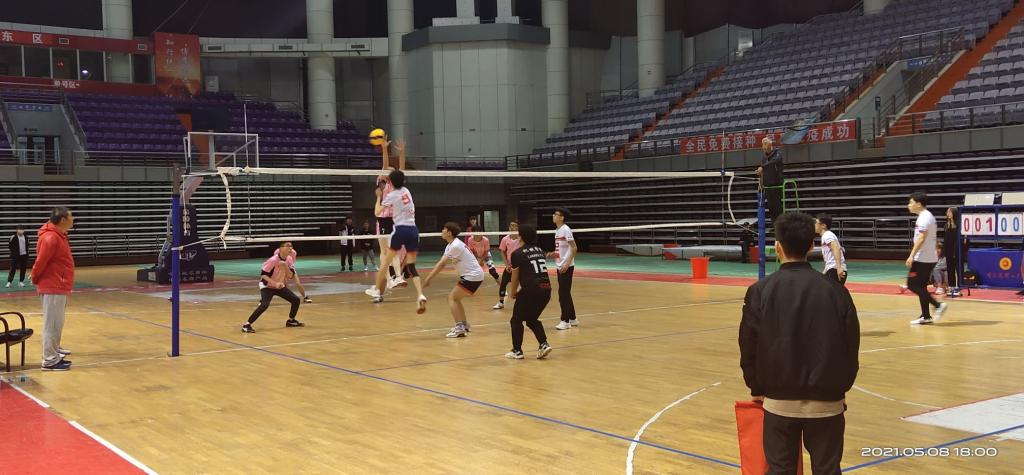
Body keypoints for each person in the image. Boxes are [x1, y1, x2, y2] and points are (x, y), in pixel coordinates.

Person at [739, 212, 860, 475]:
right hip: (827, 401)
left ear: (777, 247)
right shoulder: (836, 292)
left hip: (778, 402)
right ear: (812, 246)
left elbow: (748, 345)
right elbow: (851, 345)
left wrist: (755, 386)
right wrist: (841, 387)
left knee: (780, 469)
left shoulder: (760, 291)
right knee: (827, 470)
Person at [366, 170, 427, 313]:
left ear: (390, 182)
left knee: (385, 261)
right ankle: (420, 294)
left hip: (400, 230)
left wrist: (379, 197)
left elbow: (377, 212)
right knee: (412, 267)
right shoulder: (407, 191)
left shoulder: (391, 196)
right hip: (413, 230)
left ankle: (377, 289)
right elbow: (399, 176)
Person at [423, 222, 485, 338]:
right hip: (473, 275)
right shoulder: (450, 245)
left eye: (444, 229)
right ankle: (464, 325)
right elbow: (442, 261)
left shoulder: (455, 245)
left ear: (450, 233)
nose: (442, 231)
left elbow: (441, 264)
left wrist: (429, 279)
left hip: (472, 276)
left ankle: (459, 328)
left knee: (451, 298)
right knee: (456, 298)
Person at [32, 207, 76, 371]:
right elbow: (41, 261)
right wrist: (35, 277)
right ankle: (49, 360)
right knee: (51, 324)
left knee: (57, 322)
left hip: (59, 285)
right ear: (63, 220)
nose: (73, 219)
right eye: (71, 216)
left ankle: (54, 352)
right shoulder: (50, 237)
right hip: (53, 286)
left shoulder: (59, 235)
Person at [505, 224, 553, 360]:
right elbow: (533, 272)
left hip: (531, 290)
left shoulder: (517, 253)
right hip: (546, 289)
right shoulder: (540, 250)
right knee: (531, 319)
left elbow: (515, 277)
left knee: (516, 320)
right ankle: (544, 344)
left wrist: (513, 292)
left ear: (520, 236)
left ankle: (517, 351)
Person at [242, 242, 305, 333]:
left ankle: (291, 321)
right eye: (287, 246)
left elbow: (290, 276)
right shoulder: (273, 260)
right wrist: (275, 283)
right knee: (264, 305)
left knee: (295, 300)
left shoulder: (289, 259)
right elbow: (263, 275)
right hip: (267, 286)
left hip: (279, 286)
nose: (290, 248)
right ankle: (246, 325)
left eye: (291, 246)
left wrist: (285, 267)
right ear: (281, 249)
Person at [906, 192, 948, 325]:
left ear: (918, 204)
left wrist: (912, 255)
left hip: (922, 258)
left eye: (911, 203)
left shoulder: (924, 218)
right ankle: (926, 316)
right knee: (921, 286)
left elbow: (922, 238)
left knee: (912, 285)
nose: (909, 205)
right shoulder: (928, 216)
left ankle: (937, 305)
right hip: (929, 257)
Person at [374, 139, 407, 290]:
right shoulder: (382, 181)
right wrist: (384, 150)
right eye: (388, 170)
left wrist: (401, 152)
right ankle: (388, 280)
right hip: (382, 218)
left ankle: (398, 277)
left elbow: (402, 169)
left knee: (394, 250)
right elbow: (385, 165)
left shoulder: (397, 185)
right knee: (384, 251)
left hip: (394, 219)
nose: (390, 171)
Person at [548, 208, 577, 330]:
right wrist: (552, 254)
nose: (553, 216)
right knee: (565, 293)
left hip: (566, 267)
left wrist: (567, 263)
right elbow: (561, 250)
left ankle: (565, 321)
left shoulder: (565, 229)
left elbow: (574, 248)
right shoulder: (557, 230)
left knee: (563, 294)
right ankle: (573, 318)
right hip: (560, 265)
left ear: (562, 217)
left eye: (556, 214)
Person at [493, 220, 522, 310]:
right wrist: (506, 265)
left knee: (524, 285)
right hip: (510, 266)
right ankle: (501, 302)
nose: (512, 227)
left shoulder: (521, 239)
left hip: (521, 266)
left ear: (518, 227)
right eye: (511, 225)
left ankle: (522, 302)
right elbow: (502, 251)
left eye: (514, 225)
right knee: (503, 283)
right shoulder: (505, 239)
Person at [757, 136, 785, 225]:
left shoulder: (778, 153)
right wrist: (761, 183)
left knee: (777, 206)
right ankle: (774, 225)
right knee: (771, 207)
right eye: (762, 144)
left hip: (777, 184)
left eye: (765, 144)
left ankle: (780, 225)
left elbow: (774, 162)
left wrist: (763, 167)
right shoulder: (763, 157)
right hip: (767, 185)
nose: (763, 146)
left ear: (770, 144)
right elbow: (763, 172)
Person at [815, 214, 847, 284]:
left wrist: (839, 267)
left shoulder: (827, 235)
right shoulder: (826, 236)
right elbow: (830, 259)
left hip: (835, 270)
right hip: (832, 269)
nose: (815, 225)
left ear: (823, 225)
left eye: (816, 223)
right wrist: (824, 272)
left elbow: (836, 248)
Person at [943, 207, 962, 297]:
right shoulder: (946, 224)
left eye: (949, 212)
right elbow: (945, 239)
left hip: (957, 250)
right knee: (950, 269)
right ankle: (952, 286)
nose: (947, 214)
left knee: (959, 269)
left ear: (954, 213)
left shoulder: (959, 224)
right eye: (947, 212)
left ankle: (960, 286)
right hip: (949, 251)